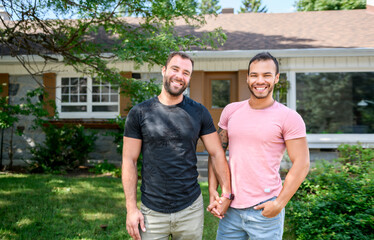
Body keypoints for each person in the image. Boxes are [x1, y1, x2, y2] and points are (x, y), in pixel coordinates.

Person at [122, 51, 232, 240]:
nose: (179, 76)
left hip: (190, 209)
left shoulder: (199, 112)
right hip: (152, 211)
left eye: (186, 72)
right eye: (175, 69)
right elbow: (129, 160)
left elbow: (216, 153)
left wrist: (226, 192)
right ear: (164, 70)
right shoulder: (139, 112)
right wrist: (131, 208)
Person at [207, 52, 310, 239]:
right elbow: (217, 153)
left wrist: (279, 204)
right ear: (247, 78)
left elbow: (302, 164)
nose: (259, 80)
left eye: (266, 75)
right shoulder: (231, 111)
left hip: (264, 210)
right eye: (254, 75)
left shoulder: (289, 117)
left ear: (276, 78)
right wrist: (213, 190)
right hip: (230, 209)